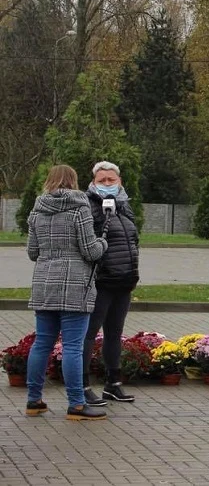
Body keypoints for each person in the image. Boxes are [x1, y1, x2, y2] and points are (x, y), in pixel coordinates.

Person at [25, 165, 108, 420]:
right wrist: (103, 242)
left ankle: (34, 400)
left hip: (44, 284)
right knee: (72, 346)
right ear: (73, 181)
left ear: (49, 182)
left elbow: (32, 253)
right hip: (74, 285)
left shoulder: (36, 211)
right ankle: (77, 404)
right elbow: (90, 251)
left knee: (42, 343)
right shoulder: (79, 209)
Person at [80, 161, 140, 407]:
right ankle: (82, 386)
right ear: (93, 183)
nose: (106, 184)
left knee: (114, 334)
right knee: (89, 334)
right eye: (101, 180)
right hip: (100, 282)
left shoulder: (125, 207)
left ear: (119, 182)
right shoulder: (88, 206)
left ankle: (112, 384)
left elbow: (134, 240)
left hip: (124, 281)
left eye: (111, 180)